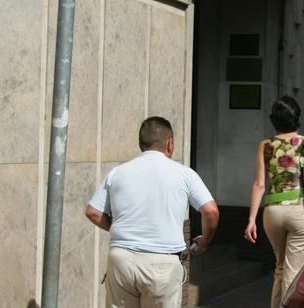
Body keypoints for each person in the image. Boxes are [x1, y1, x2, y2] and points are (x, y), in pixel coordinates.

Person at [87, 117, 220, 308]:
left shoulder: (118, 172)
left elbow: (93, 212)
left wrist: (119, 228)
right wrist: (204, 241)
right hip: (162, 263)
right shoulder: (184, 174)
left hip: (121, 259)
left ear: (141, 144)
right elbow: (211, 212)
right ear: (170, 143)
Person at [244, 96, 304, 308]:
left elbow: (259, 185)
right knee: (294, 272)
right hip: (299, 211)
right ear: (297, 117)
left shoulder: (266, 145)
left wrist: (251, 220)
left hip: (272, 212)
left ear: (274, 120)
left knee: (280, 268)